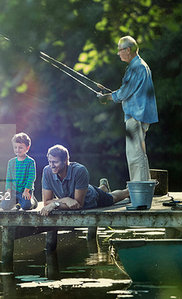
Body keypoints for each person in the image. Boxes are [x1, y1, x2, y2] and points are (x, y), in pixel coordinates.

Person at [97, 36, 158, 181]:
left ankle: (139, 190)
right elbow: (127, 91)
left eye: (120, 50)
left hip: (136, 116)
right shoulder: (139, 66)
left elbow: (124, 92)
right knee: (138, 153)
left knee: (135, 155)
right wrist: (112, 95)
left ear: (128, 50)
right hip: (139, 115)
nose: (118, 53)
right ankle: (143, 188)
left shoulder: (137, 67)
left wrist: (107, 97)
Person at [40, 144, 129, 216]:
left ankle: (128, 191)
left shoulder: (80, 170)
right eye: (49, 161)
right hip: (73, 197)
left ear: (65, 161)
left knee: (112, 198)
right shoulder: (47, 171)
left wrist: (56, 204)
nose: (51, 165)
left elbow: (78, 204)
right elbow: (47, 202)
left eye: (55, 162)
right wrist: (66, 200)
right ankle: (103, 188)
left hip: (91, 198)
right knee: (101, 191)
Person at [0, 132, 37, 210]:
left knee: (26, 206)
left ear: (27, 148)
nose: (17, 150)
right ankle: (18, 201)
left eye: (20, 147)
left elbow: (31, 177)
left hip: (25, 191)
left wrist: (26, 190)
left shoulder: (30, 162)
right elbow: (9, 178)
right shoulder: (11, 162)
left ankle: (33, 201)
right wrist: (8, 191)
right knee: (4, 206)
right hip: (13, 192)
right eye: (15, 147)